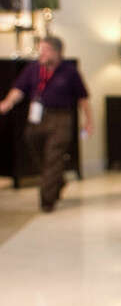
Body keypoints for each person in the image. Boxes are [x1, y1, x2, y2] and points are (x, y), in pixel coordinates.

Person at [0, 36, 94, 212]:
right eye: (40, 50)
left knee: (53, 156)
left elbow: (83, 99)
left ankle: (47, 200)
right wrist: (7, 102)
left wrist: (88, 122)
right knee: (40, 154)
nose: (41, 54)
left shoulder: (69, 71)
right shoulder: (33, 69)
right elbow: (18, 89)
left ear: (57, 52)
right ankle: (57, 180)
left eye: (45, 50)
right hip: (38, 118)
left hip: (61, 118)